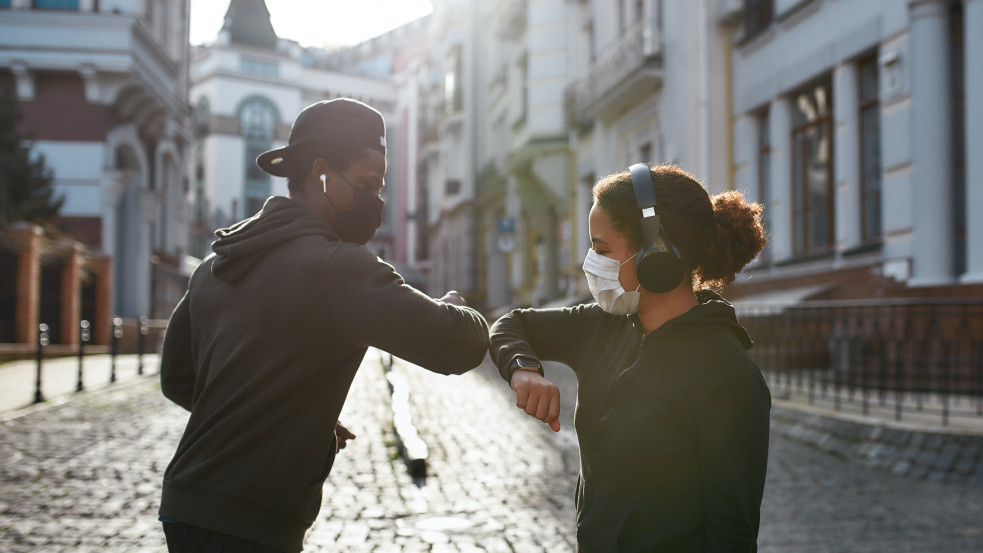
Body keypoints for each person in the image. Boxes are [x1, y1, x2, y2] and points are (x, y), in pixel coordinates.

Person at [158, 98, 489, 553]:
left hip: (184, 502)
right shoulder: (338, 268)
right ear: (321, 174)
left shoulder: (216, 262)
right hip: (251, 520)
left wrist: (291, 413)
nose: (377, 201)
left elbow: (178, 379)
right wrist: (456, 306)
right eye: (369, 183)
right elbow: (458, 345)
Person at [490, 163, 771, 552]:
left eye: (601, 249)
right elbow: (512, 324)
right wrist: (522, 370)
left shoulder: (728, 377)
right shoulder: (603, 324)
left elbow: (732, 537)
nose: (590, 262)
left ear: (657, 255)